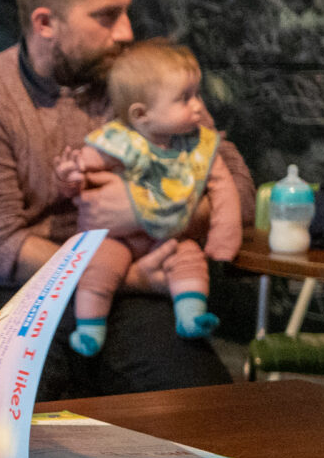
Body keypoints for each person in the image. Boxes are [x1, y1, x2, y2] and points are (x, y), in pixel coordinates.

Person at [0, 0, 255, 401]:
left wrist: (147, 210)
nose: (126, 32)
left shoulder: (139, 82)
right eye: (107, 16)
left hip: (130, 287)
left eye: (126, 13)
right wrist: (130, 277)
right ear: (45, 23)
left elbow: (238, 192)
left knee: (199, 398)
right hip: (10, 291)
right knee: (11, 406)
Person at [56, 39, 241, 357]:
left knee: (189, 258)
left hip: (168, 238)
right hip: (120, 239)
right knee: (98, 267)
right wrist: (70, 176)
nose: (198, 106)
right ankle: (89, 328)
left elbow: (225, 189)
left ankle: (191, 316)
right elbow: (83, 172)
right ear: (141, 114)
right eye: (184, 99)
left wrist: (223, 242)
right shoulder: (119, 142)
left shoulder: (197, 146)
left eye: (197, 94)